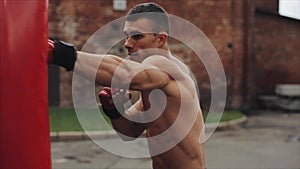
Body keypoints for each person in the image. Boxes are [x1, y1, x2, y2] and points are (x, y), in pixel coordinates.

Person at [49, 2, 205, 169]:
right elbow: (129, 131)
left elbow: (124, 74)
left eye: (137, 36)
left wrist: (59, 53)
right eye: (127, 36)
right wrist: (114, 110)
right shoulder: (154, 88)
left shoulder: (164, 65)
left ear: (160, 39)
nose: (127, 44)